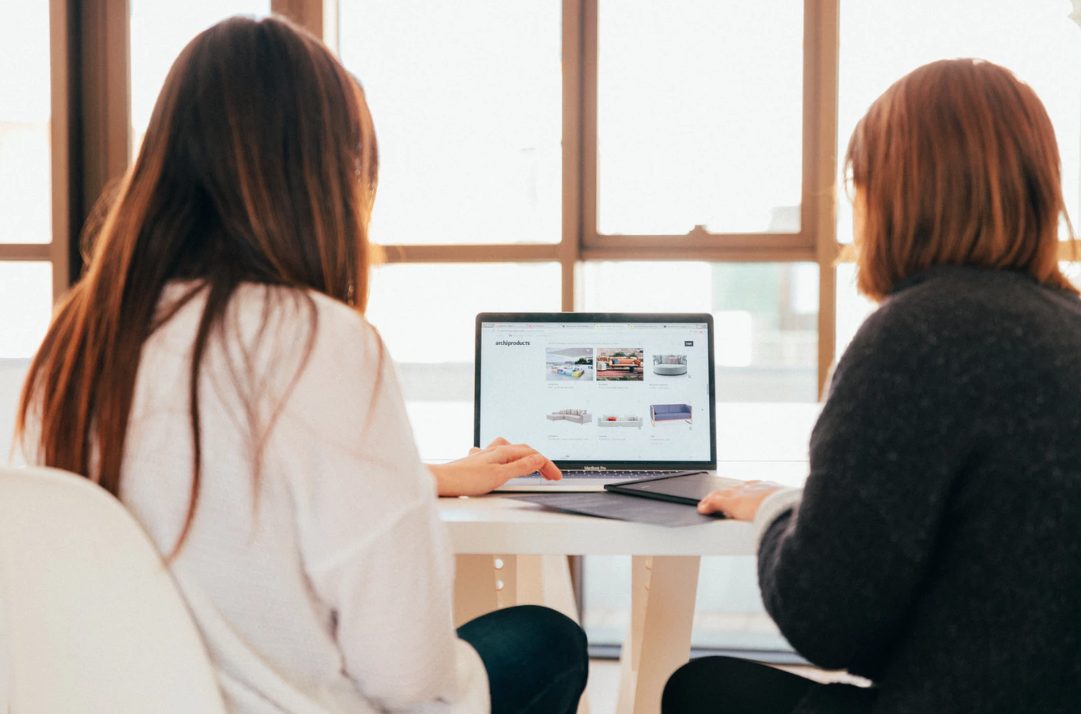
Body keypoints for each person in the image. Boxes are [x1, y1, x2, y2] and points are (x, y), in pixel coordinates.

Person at [16, 16, 586, 714]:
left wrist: (424, 478)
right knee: (545, 639)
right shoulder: (320, 340)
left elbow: (214, 492)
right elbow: (408, 676)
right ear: (326, 176)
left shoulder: (75, 341)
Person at [663, 59, 1081, 713]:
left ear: (890, 192)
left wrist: (777, 510)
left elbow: (824, 621)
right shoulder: (1067, 321)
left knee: (701, 691)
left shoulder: (917, 334)